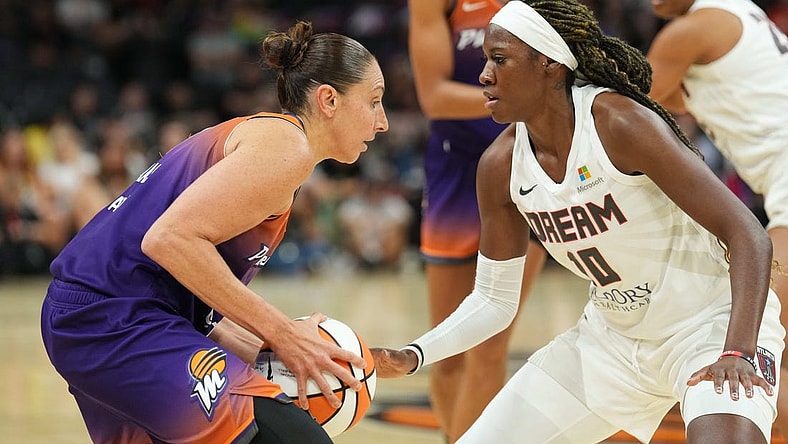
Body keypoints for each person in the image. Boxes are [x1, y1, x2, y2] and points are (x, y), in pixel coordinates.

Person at [373, 1, 785, 442]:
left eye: (499, 59)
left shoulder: (620, 123)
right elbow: (493, 300)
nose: (484, 76)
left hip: (708, 327)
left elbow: (748, 234)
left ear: (549, 64)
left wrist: (737, 351)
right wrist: (414, 354)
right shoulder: (499, 165)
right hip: (609, 342)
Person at [39, 20, 388, 444]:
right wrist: (284, 333)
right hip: (112, 319)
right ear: (329, 99)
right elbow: (169, 240)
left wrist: (269, 348)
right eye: (374, 101)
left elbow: (186, 291)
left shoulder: (272, 142)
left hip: (108, 315)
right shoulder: (285, 148)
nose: (383, 122)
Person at [645, 0, 788, 437]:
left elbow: (626, 107)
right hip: (778, 188)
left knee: (754, 343)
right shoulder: (737, 11)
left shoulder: (687, 33)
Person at [407, 1, 548, 440]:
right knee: (447, 349)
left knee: (490, 347)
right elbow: (434, 96)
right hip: (456, 171)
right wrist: (518, 99)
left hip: (526, 163)